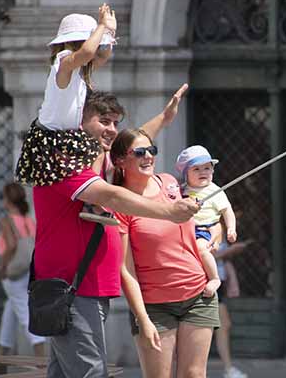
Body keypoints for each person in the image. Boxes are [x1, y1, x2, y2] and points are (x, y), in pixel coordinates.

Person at [35, 88, 199, 378]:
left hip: (87, 289)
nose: (111, 129)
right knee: (92, 373)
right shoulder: (65, 164)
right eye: (104, 121)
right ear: (79, 121)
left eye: (115, 122)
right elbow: (110, 197)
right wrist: (169, 212)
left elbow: (130, 148)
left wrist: (164, 118)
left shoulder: (98, 160)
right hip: (73, 289)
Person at [112, 129, 221, 378]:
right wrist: (142, 317)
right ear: (119, 160)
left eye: (152, 150)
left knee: (194, 374)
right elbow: (125, 269)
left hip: (198, 293)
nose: (148, 156)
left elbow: (203, 215)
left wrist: (217, 227)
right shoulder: (120, 203)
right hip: (154, 305)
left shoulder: (169, 182)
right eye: (139, 152)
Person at [16, 4, 117, 188]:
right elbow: (87, 53)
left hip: (67, 136)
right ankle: (92, 195)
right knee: (95, 149)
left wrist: (110, 30)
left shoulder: (78, 70)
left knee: (99, 149)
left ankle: (91, 195)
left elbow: (102, 57)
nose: (95, 48)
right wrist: (101, 27)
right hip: (50, 137)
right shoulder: (63, 61)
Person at [175, 145, 238, 298]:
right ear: (186, 174)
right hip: (183, 232)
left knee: (201, 249)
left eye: (207, 168)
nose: (203, 172)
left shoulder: (215, 190)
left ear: (213, 170)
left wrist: (231, 228)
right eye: (196, 169)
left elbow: (227, 210)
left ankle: (214, 278)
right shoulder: (180, 191)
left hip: (204, 230)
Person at [0, 183, 46, 357]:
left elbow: (10, 245)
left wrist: (2, 265)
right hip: (29, 270)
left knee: (25, 314)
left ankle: (41, 358)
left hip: (14, 272)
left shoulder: (6, 220)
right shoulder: (28, 220)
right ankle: (1, 353)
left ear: (8, 200)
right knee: (11, 310)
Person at [213, 235, 249, 378]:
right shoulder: (203, 224)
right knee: (218, 325)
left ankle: (228, 369)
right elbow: (202, 255)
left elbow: (223, 260)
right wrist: (232, 250)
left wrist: (232, 279)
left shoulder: (220, 230)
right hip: (205, 281)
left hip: (217, 283)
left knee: (223, 325)